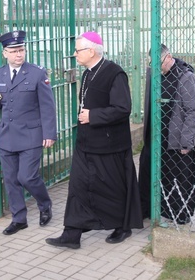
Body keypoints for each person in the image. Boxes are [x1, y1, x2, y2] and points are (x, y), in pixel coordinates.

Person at [45, 31, 143, 250]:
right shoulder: (88, 73)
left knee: (113, 188)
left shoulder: (114, 73)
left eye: (78, 50)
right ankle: (71, 233)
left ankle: (122, 226)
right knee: (78, 186)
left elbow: (122, 108)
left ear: (91, 51)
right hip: (86, 144)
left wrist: (93, 116)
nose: (74, 54)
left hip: (109, 146)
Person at [0, 30, 57, 235]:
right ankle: (19, 218)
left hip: (31, 135)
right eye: (13, 51)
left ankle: (44, 204)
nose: (18, 54)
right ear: (5, 53)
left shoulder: (37, 73)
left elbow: (47, 107)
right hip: (6, 137)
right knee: (11, 179)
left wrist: (49, 134)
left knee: (27, 177)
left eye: (21, 50)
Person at [138, 44, 195, 225]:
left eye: (159, 63)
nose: (156, 68)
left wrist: (186, 142)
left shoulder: (185, 77)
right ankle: (147, 208)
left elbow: (193, 111)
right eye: (152, 64)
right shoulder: (153, 74)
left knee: (178, 176)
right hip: (154, 137)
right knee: (147, 171)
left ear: (169, 57)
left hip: (175, 139)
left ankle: (179, 212)